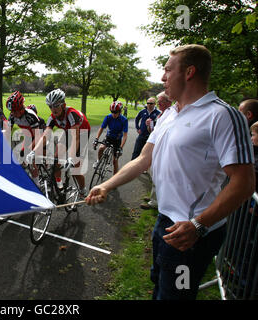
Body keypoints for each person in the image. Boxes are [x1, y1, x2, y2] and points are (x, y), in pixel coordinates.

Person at [85, 44, 255, 300]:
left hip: (193, 232)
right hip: (165, 221)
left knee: (175, 295)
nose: (162, 77)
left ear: (189, 72)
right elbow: (143, 159)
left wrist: (199, 224)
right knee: (160, 283)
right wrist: (107, 185)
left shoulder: (222, 115)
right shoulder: (170, 114)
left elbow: (244, 182)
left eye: (167, 70)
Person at [26, 88, 90, 196]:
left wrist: (70, 157)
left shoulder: (71, 114)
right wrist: (33, 151)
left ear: (63, 105)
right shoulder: (52, 118)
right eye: (50, 106)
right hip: (67, 132)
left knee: (75, 168)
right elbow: (45, 135)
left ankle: (83, 190)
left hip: (81, 133)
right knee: (56, 159)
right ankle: (59, 185)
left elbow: (76, 138)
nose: (53, 109)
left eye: (56, 105)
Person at [141, 92, 173, 210]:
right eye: (157, 101)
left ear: (168, 102)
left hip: (164, 152)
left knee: (158, 176)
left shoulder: (171, 115)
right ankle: (153, 197)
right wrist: (149, 125)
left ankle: (155, 202)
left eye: (160, 101)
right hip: (156, 150)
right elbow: (153, 133)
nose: (157, 104)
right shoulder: (161, 115)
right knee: (154, 174)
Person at [6, 91, 44, 185]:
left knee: (30, 159)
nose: (13, 114)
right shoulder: (12, 116)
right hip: (29, 137)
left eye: (15, 111)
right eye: (11, 111)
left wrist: (30, 150)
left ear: (21, 108)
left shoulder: (30, 115)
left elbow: (38, 137)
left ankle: (37, 185)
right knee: (22, 157)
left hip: (40, 136)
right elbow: (7, 133)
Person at [93, 101, 128, 176]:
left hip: (117, 140)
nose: (114, 114)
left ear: (120, 111)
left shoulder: (124, 120)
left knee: (115, 161)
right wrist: (96, 138)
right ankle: (98, 162)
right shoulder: (108, 117)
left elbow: (125, 135)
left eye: (115, 112)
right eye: (112, 112)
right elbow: (102, 128)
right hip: (109, 137)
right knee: (101, 148)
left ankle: (114, 179)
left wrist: (121, 148)